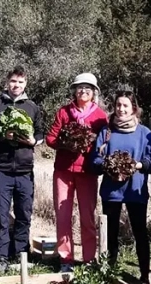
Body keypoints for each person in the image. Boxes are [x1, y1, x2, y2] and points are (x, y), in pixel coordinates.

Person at [90, 90, 151, 284]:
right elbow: (95, 159)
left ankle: (145, 278)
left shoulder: (144, 133)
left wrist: (138, 166)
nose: (121, 109)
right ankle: (108, 274)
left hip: (135, 191)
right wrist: (107, 166)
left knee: (140, 234)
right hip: (112, 192)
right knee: (110, 234)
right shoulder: (107, 131)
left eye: (126, 105)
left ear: (134, 108)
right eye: (118, 105)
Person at [45, 73, 109, 272]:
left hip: (87, 172)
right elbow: (50, 138)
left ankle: (89, 259)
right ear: (74, 90)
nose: (83, 91)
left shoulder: (100, 116)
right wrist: (66, 145)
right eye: (80, 87)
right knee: (63, 215)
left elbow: (104, 143)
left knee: (87, 216)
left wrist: (90, 147)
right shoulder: (64, 112)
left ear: (94, 93)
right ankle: (66, 259)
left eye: (88, 88)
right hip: (63, 171)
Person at [0, 66, 43, 273]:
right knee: (1, 214)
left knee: (24, 213)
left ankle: (22, 254)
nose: (16, 85)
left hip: (25, 170)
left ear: (25, 84)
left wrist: (32, 141)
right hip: (1, 168)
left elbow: (40, 133)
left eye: (20, 82)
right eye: (13, 81)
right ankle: (0, 256)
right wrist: (3, 136)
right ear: (7, 82)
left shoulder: (32, 107)